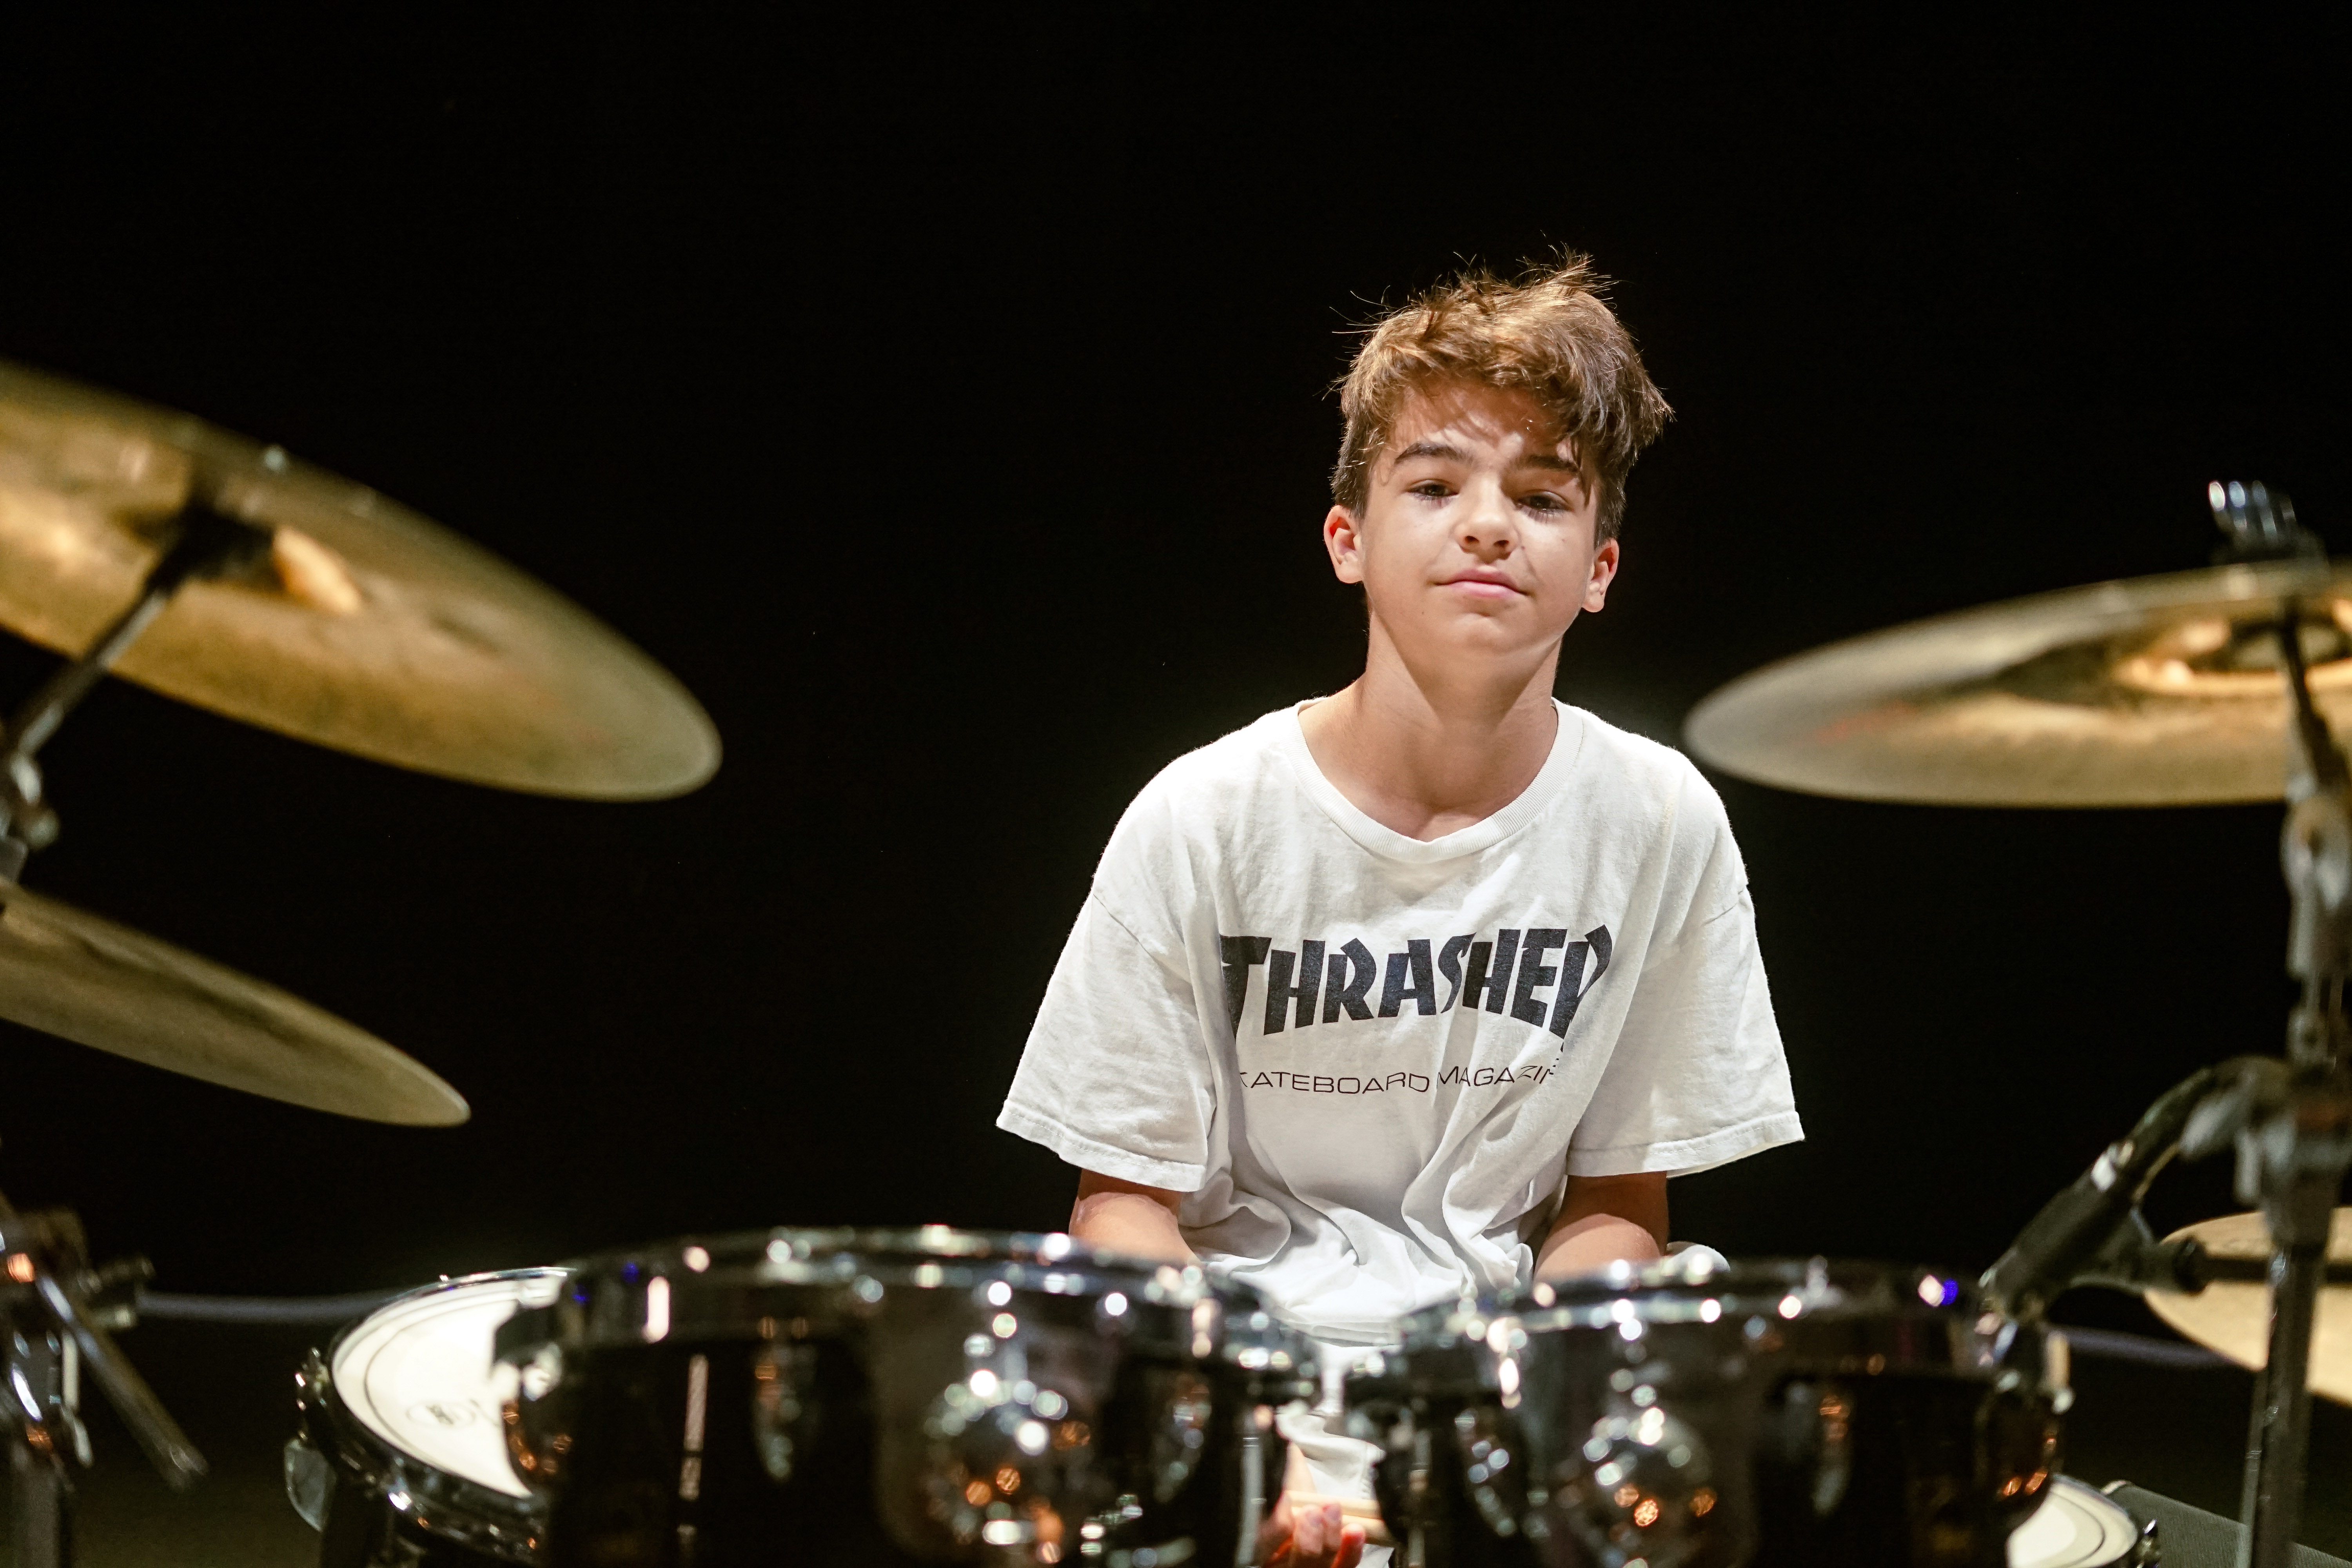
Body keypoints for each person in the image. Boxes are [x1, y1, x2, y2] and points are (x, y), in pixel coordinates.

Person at [995, 255, 1802, 1567]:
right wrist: (1237, 1445)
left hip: (1499, 1391)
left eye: (1540, 497)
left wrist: (1532, 1434)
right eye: (1434, 486)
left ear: (1600, 567)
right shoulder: (1203, 816)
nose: (1488, 526)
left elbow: (1616, 1204)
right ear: (1348, 542)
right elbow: (1119, 1209)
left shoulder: (1660, 819)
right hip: (1234, 1372)